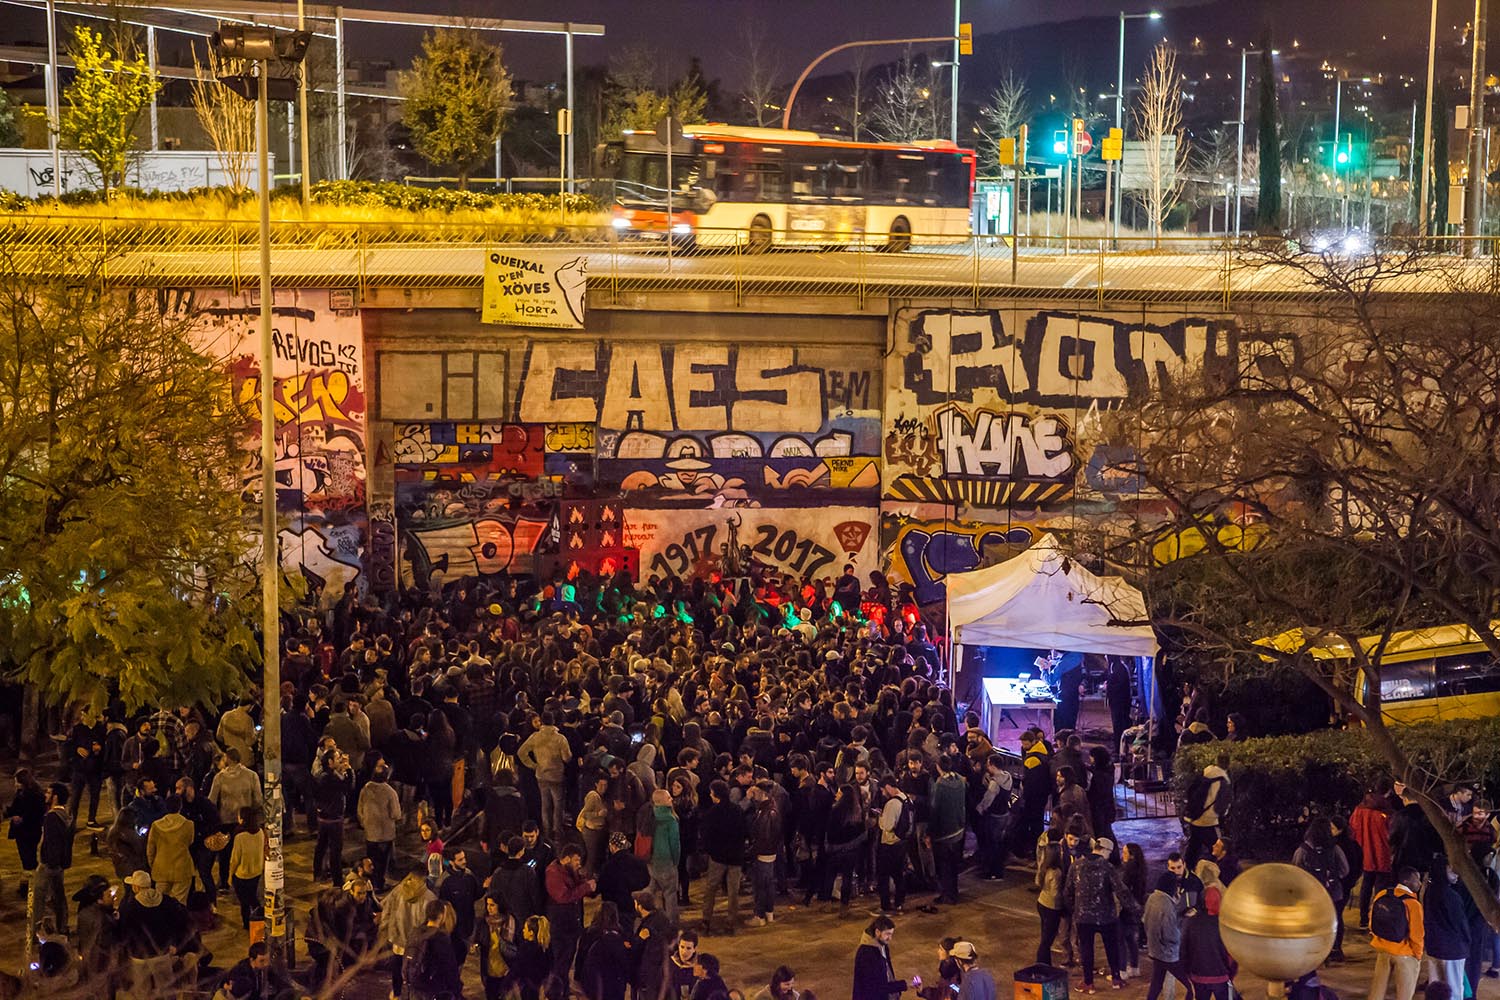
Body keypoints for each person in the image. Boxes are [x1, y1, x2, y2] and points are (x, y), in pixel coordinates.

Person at [1066, 836, 1134, 993]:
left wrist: (1073, 909)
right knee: (1112, 947)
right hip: (1106, 916)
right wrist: (1135, 909)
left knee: (1086, 950)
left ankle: (1088, 983)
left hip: (1083, 917)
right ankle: (1116, 979)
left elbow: (1068, 891)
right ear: (1105, 850)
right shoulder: (1107, 867)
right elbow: (1121, 891)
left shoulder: (1076, 866)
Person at [1292, 816, 1350, 962]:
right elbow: (1345, 870)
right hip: (1333, 892)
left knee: (1312, 922)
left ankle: (1314, 952)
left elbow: (1295, 871)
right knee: (1335, 920)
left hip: (1311, 895)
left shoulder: (1303, 850)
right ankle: (1335, 949)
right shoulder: (1335, 849)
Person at [1369, 866, 1425, 1000]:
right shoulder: (1413, 904)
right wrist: (1418, 955)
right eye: (1416, 880)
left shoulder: (1382, 894)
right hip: (1404, 954)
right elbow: (1417, 935)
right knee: (1404, 995)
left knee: (1377, 993)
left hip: (1382, 950)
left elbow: (1372, 921)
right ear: (1407, 882)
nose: (1420, 883)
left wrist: (1378, 940)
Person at [700, 779, 748, 934]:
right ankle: (730, 922)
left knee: (711, 889)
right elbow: (745, 832)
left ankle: (706, 919)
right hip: (736, 858)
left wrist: (710, 851)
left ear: (715, 795)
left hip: (718, 858)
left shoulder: (712, 813)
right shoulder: (737, 810)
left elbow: (706, 836)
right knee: (733, 891)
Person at [545, 843, 595, 986]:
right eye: (576, 860)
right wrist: (585, 887)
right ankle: (558, 991)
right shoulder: (553, 873)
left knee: (567, 959)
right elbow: (563, 897)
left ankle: (563, 987)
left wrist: (586, 884)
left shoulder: (567, 870)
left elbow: (576, 885)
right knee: (561, 961)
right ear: (566, 859)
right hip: (561, 926)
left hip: (572, 923)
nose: (579, 864)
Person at [383, 870, 437, 1000]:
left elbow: (386, 908)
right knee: (414, 970)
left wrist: (387, 929)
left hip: (398, 939)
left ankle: (396, 994)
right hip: (417, 944)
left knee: (397, 968)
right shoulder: (429, 897)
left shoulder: (398, 891)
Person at [519, 712, 572, 840]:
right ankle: (558, 833)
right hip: (556, 776)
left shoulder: (535, 737)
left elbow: (521, 752)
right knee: (558, 806)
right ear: (553, 721)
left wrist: (534, 765)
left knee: (545, 805)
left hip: (541, 775)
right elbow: (567, 757)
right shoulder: (560, 738)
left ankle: (547, 833)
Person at [1351, 780, 1395, 929]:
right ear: (1387, 792)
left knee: (1366, 884)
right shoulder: (1384, 812)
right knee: (1381, 888)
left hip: (1364, 853)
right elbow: (1391, 834)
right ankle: (1377, 920)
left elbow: (1353, 828)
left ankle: (1363, 918)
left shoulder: (1359, 809)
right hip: (1382, 853)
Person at [1423, 859, 1470, 998]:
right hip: (1453, 950)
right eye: (1451, 871)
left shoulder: (1429, 892)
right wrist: (1467, 943)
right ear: (1442, 872)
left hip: (1434, 947)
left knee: (1436, 988)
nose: (1456, 874)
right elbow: (1461, 924)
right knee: (1454, 990)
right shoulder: (1451, 896)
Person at [1144, 872, 1194, 1000]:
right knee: (1190, 986)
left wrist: (1180, 915)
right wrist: (1182, 934)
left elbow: (1146, 921)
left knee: (1156, 984)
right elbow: (1170, 935)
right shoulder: (1166, 905)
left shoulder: (1152, 898)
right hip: (1168, 954)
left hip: (1155, 950)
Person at [33, 781, 72, 935]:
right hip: (60, 865)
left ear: (55, 797)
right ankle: (62, 927)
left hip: (50, 865)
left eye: (48, 793)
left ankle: (38, 931)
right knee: (59, 897)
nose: (45, 795)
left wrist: (50, 863)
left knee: (40, 898)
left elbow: (53, 843)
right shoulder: (66, 816)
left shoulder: (52, 818)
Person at [403, 899, 463, 1000]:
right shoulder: (440, 938)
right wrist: (457, 990)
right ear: (441, 916)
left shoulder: (416, 933)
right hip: (432, 990)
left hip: (415, 987)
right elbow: (449, 968)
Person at [1182, 886, 1235, 1000]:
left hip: (1198, 976)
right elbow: (1231, 953)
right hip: (1220, 976)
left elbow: (1184, 949)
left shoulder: (1191, 922)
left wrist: (1188, 971)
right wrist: (1229, 974)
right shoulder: (1223, 924)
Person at [927, 755, 966, 906]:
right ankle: (953, 892)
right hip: (958, 829)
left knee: (943, 866)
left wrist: (930, 833)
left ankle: (946, 894)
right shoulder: (960, 781)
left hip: (944, 833)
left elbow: (935, 811)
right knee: (954, 865)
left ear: (938, 767)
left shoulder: (940, 785)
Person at [357, 763, 402, 892]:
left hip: (370, 833)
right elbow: (396, 814)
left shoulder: (365, 789)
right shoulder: (389, 792)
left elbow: (359, 810)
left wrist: (364, 822)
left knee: (371, 860)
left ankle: (371, 883)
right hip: (384, 834)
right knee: (382, 862)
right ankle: (379, 885)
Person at [1182, 754, 1230, 869]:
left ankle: (1187, 872)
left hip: (1195, 817)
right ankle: (1220, 874)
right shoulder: (1223, 780)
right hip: (1210, 821)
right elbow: (1222, 806)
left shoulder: (1206, 772)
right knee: (1217, 849)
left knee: (1193, 848)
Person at [874, 773, 912, 915]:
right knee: (898, 875)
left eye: (883, 790)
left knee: (883, 876)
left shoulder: (891, 804)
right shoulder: (906, 798)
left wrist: (880, 817)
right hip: (902, 843)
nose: (883, 794)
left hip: (889, 844)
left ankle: (885, 906)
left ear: (888, 787)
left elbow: (887, 826)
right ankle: (899, 903)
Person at [147, 796, 196, 904]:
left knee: (160, 902)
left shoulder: (156, 825)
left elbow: (150, 850)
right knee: (180, 902)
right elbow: (190, 842)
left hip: (161, 868)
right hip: (182, 868)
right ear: (180, 806)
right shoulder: (189, 825)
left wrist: (153, 864)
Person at [6, 767, 46, 898]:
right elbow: (14, 808)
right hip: (24, 832)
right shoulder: (21, 793)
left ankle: (31, 888)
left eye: (17, 781)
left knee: (28, 858)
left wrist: (22, 818)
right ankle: (28, 885)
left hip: (28, 831)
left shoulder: (35, 795)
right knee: (27, 858)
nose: (15, 784)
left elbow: (36, 813)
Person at [853, 915, 913, 1000]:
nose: (890, 938)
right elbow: (875, 987)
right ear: (877, 932)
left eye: (891, 934)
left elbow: (888, 974)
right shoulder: (866, 954)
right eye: (887, 934)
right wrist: (903, 985)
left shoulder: (883, 945)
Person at [647, 787, 683, 924]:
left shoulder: (649, 816)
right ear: (662, 802)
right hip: (666, 861)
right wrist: (676, 861)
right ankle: (671, 923)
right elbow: (675, 843)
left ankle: (656, 921)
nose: (671, 799)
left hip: (651, 860)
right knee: (670, 894)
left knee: (652, 893)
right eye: (668, 798)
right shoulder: (670, 819)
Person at [580, 901, 630, 1000]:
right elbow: (624, 959)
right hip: (616, 981)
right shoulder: (620, 933)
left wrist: (579, 977)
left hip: (595, 979)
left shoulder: (589, 933)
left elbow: (581, 955)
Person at [228, 806, 265, 930]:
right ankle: (259, 917)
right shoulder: (260, 832)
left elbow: (235, 859)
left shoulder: (240, 837)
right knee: (253, 896)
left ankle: (248, 924)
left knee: (245, 902)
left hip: (242, 874)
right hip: (256, 872)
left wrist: (229, 876)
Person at [219, 941, 297, 1000]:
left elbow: (277, 981)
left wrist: (295, 994)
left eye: (267, 960)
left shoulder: (262, 968)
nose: (266, 964)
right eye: (262, 961)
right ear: (252, 960)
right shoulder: (242, 974)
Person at [633, 888, 674, 1000]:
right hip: (663, 972)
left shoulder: (647, 927)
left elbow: (639, 949)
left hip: (650, 975)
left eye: (635, 904)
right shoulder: (662, 917)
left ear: (640, 907)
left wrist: (637, 941)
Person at [477, 896, 517, 1000]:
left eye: (492, 905)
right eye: (487, 905)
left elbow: (515, 945)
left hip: (506, 969)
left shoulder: (510, 922)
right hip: (489, 969)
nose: (489, 908)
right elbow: (479, 939)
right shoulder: (484, 922)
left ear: (500, 906)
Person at [1035, 844, 1067, 966]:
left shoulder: (1044, 867)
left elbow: (1037, 882)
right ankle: (1041, 962)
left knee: (1045, 934)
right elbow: (1055, 894)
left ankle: (1045, 962)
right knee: (1048, 939)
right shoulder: (1056, 872)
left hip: (1042, 902)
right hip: (1052, 907)